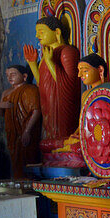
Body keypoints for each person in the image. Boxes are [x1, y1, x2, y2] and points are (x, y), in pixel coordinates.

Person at [24, 16, 80, 157]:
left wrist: (49, 62)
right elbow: (42, 83)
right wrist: (32, 64)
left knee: (61, 138)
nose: (37, 36)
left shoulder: (67, 52)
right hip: (47, 104)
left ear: (57, 32)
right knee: (47, 140)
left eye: (42, 32)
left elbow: (69, 85)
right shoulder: (46, 55)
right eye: (37, 32)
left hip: (62, 105)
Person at [0, 64, 41, 178]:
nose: (9, 78)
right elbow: (0, 114)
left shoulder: (30, 89)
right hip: (12, 134)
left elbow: (36, 111)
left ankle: (27, 184)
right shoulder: (6, 93)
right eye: (7, 75)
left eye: (13, 74)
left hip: (26, 131)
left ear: (24, 76)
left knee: (27, 159)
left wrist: (27, 131)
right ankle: (18, 181)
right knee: (15, 160)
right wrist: (0, 106)